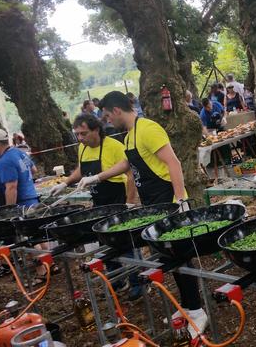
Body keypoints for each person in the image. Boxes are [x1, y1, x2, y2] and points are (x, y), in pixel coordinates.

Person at [95, 91, 207, 333]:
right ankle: (187, 305)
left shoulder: (148, 128)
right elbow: (129, 165)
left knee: (180, 255)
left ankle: (197, 310)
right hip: (153, 205)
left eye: (106, 116)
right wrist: (98, 177)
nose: (107, 121)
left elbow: (173, 162)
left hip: (169, 201)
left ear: (116, 110)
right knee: (169, 257)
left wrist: (180, 200)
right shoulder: (128, 136)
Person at [50, 114, 134, 206]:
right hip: (97, 201)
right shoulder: (82, 147)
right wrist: (65, 184)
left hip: (118, 200)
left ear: (96, 130)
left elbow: (132, 175)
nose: (80, 138)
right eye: (77, 134)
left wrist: (129, 203)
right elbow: (81, 169)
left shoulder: (115, 147)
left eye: (84, 133)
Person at [0, 129, 38, 207]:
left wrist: (10, 211)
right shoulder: (19, 152)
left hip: (22, 206)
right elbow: (33, 170)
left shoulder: (5, 161)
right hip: (33, 200)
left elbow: (11, 188)